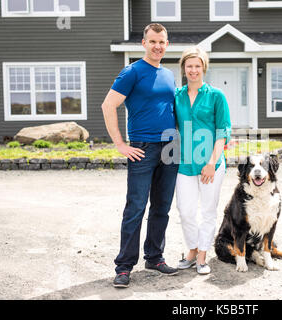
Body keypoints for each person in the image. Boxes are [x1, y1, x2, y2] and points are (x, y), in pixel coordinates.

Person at [101, 23, 179, 288]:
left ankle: (154, 257)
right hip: (142, 148)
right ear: (144, 43)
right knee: (135, 207)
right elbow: (108, 105)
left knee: (162, 207)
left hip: (171, 146)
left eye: (162, 42)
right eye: (153, 41)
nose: (158, 46)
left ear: (167, 44)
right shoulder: (132, 72)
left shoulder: (169, 74)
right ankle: (124, 267)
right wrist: (121, 144)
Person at [174, 46, 231, 275]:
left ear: (204, 68)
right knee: (185, 210)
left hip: (212, 164)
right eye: (189, 66)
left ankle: (202, 256)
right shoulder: (177, 96)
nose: (193, 70)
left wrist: (211, 161)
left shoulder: (216, 95)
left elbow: (222, 131)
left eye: (197, 66)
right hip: (185, 163)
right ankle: (193, 248)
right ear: (184, 69)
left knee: (208, 211)